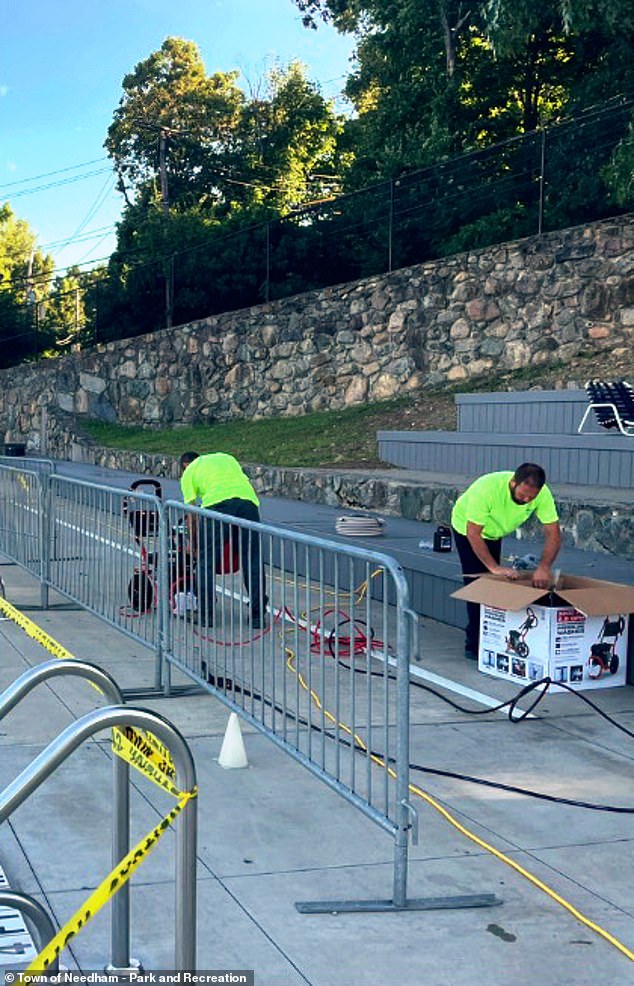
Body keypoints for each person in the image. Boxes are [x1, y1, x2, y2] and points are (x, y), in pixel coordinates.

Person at [451, 463, 562, 660]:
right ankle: (475, 645)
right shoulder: (486, 489)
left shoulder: (542, 494)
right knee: (479, 584)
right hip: (466, 529)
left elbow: (553, 532)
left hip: (495, 531)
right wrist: (494, 567)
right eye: (522, 495)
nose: (527, 500)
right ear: (513, 483)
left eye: (531, 497)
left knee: (495, 584)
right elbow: (473, 533)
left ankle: (494, 636)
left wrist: (544, 567)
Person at [179, 451, 267, 629]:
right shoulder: (226, 458)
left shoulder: (188, 473)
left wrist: (195, 545)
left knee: (206, 562)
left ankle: (206, 615)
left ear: (183, 466)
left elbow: (192, 515)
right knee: (252, 559)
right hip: (248, 503)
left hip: (217, 506)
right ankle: (258, 616)